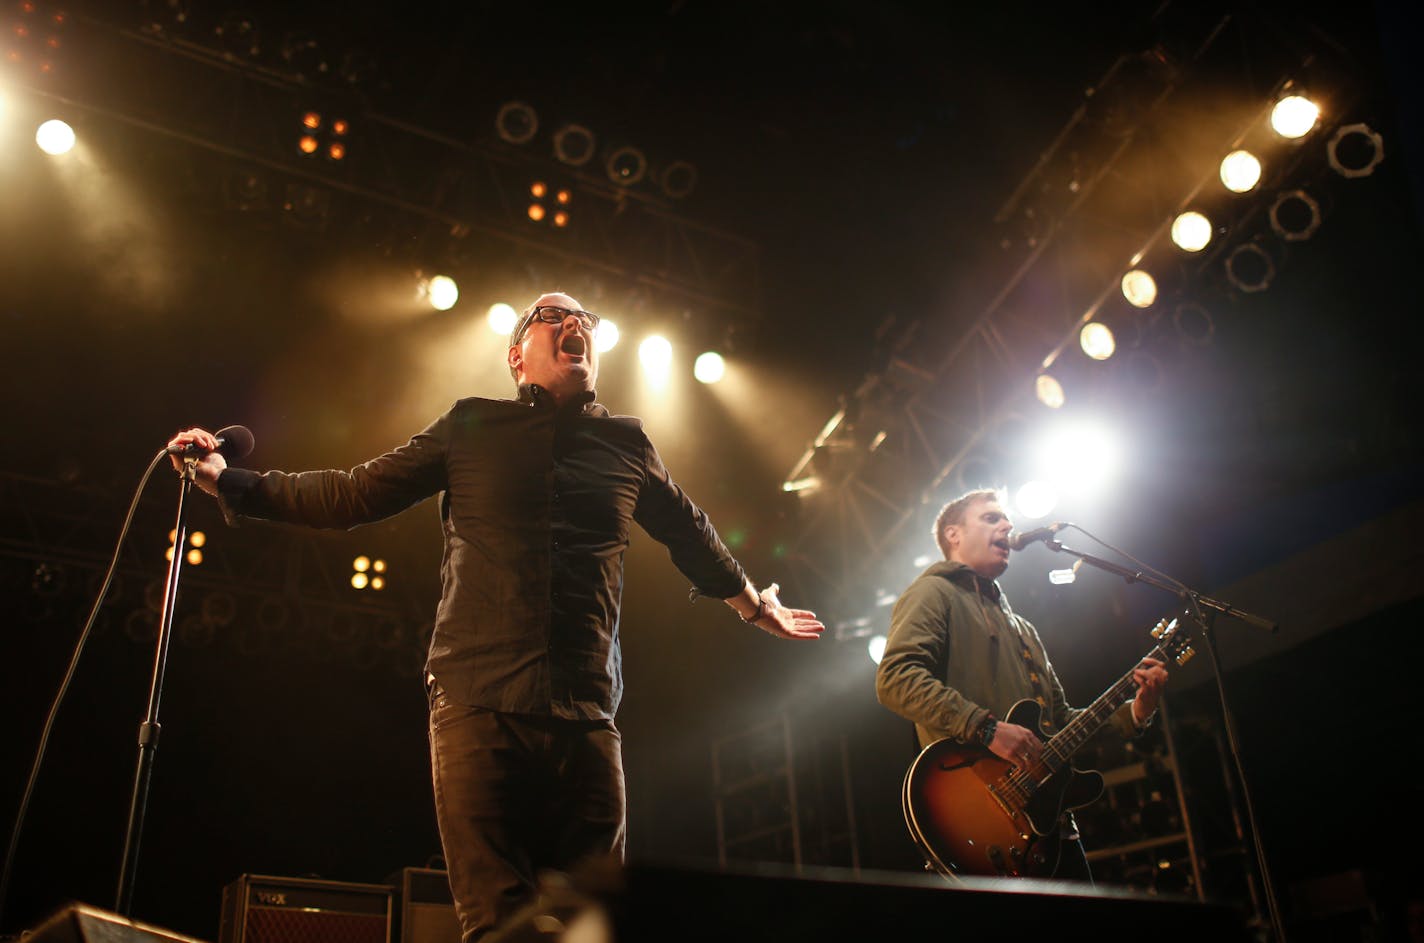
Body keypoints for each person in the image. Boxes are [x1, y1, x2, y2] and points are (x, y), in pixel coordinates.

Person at [167, 292, 824, 941]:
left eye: (585, 320)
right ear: (517, 356)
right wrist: (229, 480)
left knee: (594, 926)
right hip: (478, 703)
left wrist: (751, 604)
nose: (576, 324)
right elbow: (350, 494)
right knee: (497, 922)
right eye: (553, 316)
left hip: (587, 717)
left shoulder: (626, 443)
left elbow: (690, 531)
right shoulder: (470, 425)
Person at [874, 488, 1166, 881]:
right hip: (984, 815)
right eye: (991, 517)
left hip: (1052, 828)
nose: (1008, 525)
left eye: (1006, 518)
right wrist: (987, 729)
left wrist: (1137, 711)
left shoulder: (1023, 628)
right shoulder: (933, 592)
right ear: (954, 535)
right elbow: (895, 677)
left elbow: (1060, 722)